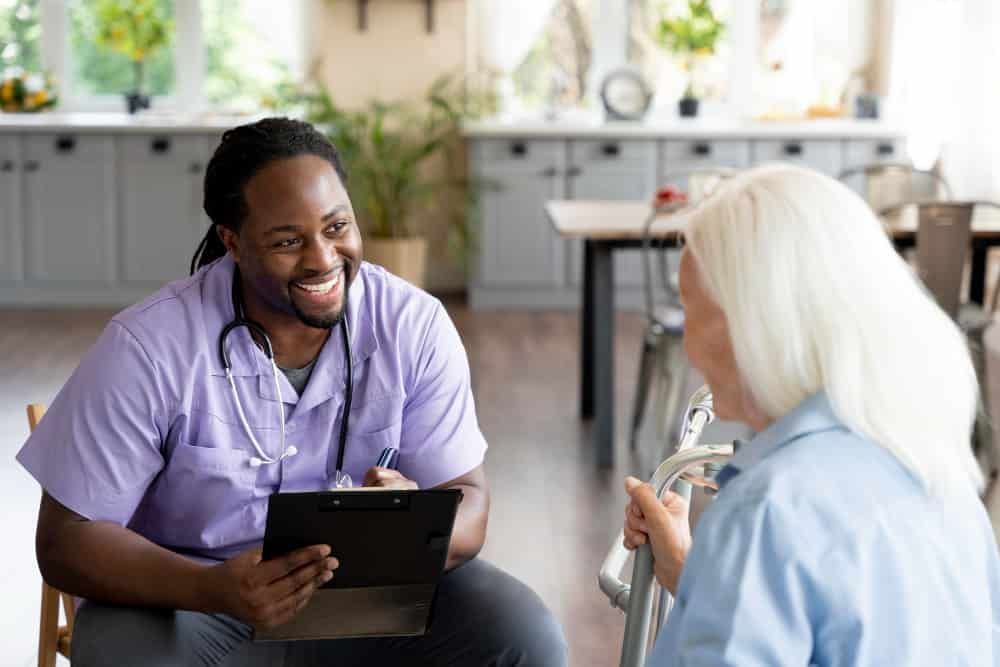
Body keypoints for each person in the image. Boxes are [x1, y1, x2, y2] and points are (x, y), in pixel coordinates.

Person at [18, 117, 567, 667]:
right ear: (232, 242)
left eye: (336, 227)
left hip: (371, 598)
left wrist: (414, 524)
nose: (323, 260)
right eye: (287, 241)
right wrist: (214, 588)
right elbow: (66, 541)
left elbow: (468, 499)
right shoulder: (149, 347)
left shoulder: (413, 325)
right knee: (123, 649)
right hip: (197, 602)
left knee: (522, 637)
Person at [622, 164, 1000, 665]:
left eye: (693, 312)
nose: (688, 344)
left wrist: (729, 563)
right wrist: (703, 576)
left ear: (752, 325)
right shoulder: (941, 478)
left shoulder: (768, 511)